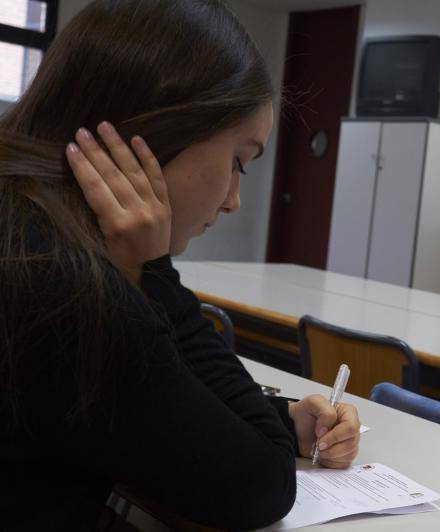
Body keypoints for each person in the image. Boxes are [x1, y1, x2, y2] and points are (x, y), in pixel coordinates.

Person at [0, 1, 360, 530]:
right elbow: (260, 483)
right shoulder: (64, 284)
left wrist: (281, 416)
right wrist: (155, 272)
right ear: (162, 127)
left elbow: (149, 399)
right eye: (239, 161)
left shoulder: (24, 226)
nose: (234, 199)